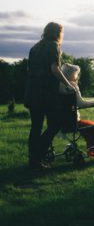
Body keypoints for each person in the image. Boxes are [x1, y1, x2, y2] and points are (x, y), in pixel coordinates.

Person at [25, 22, 75, 170]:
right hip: (45, 93)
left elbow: (30, 70)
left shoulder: (35, 47)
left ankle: (33, 160)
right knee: (55, 124)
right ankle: (37, 155)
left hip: (32, 92)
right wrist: (67, 83)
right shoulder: (53, 46)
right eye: (62, 32)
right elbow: (54, 68)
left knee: (36, 127)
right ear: (58, 33)